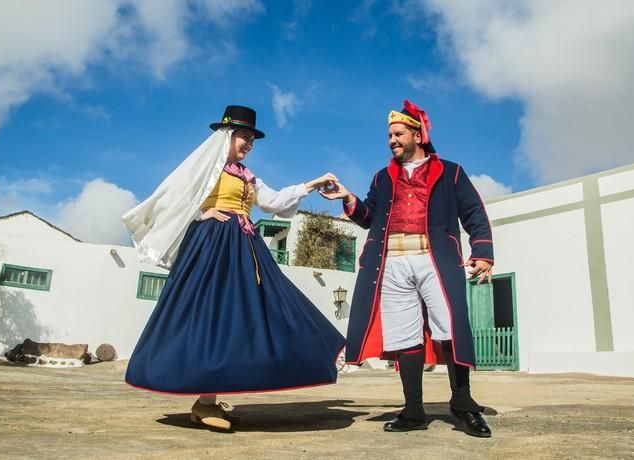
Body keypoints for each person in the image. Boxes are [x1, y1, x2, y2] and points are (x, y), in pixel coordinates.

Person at [123, 105, 345, 431]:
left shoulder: (247, 175)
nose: (249, 144)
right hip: (212, 246)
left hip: (245, 248)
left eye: (252, 139)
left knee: (253, 314)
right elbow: (175, 197)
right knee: (211, 317)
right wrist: (202, 215)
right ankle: (204, 400)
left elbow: (275, 202)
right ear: (226, 135)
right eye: (244, 136)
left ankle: (209, 401)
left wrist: (312, 184)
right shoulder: (205, 168)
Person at [320, 100, 493, 437]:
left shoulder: (452, 171)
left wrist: (483, 252)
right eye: (389, 136)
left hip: (435, 259)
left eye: (398, 134)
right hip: (392, 263)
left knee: (450, 328)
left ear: (418, 134)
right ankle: (413, 409)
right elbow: (369, 217)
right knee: (404, 335)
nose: (392, 140)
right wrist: (348, 198)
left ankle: (463, 402)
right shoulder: (382, 177)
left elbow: (474, 213)